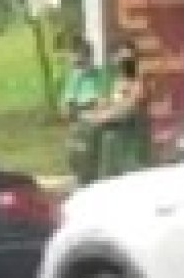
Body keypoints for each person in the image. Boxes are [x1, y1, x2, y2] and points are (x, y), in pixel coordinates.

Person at [87, 40, 153, 179]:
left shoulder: (139, 79)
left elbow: (132, 105)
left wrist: (106, 115)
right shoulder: (116, 79)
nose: (125, 62)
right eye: (121, 58)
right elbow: (106, 102)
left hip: (132, 136)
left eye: (129, 58)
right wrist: (98, 110)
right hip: (114, 132)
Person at [60, 39, 109, 185]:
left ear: (89, 57)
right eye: (76, 61)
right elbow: (66, 109)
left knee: (97, 166)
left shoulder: (100, 75)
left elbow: (104, 100)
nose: (78, 65)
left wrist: (96, 108)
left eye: (81, 60)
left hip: (98, 123)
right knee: (80, 163)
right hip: (80, 124)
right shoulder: (73, 78)